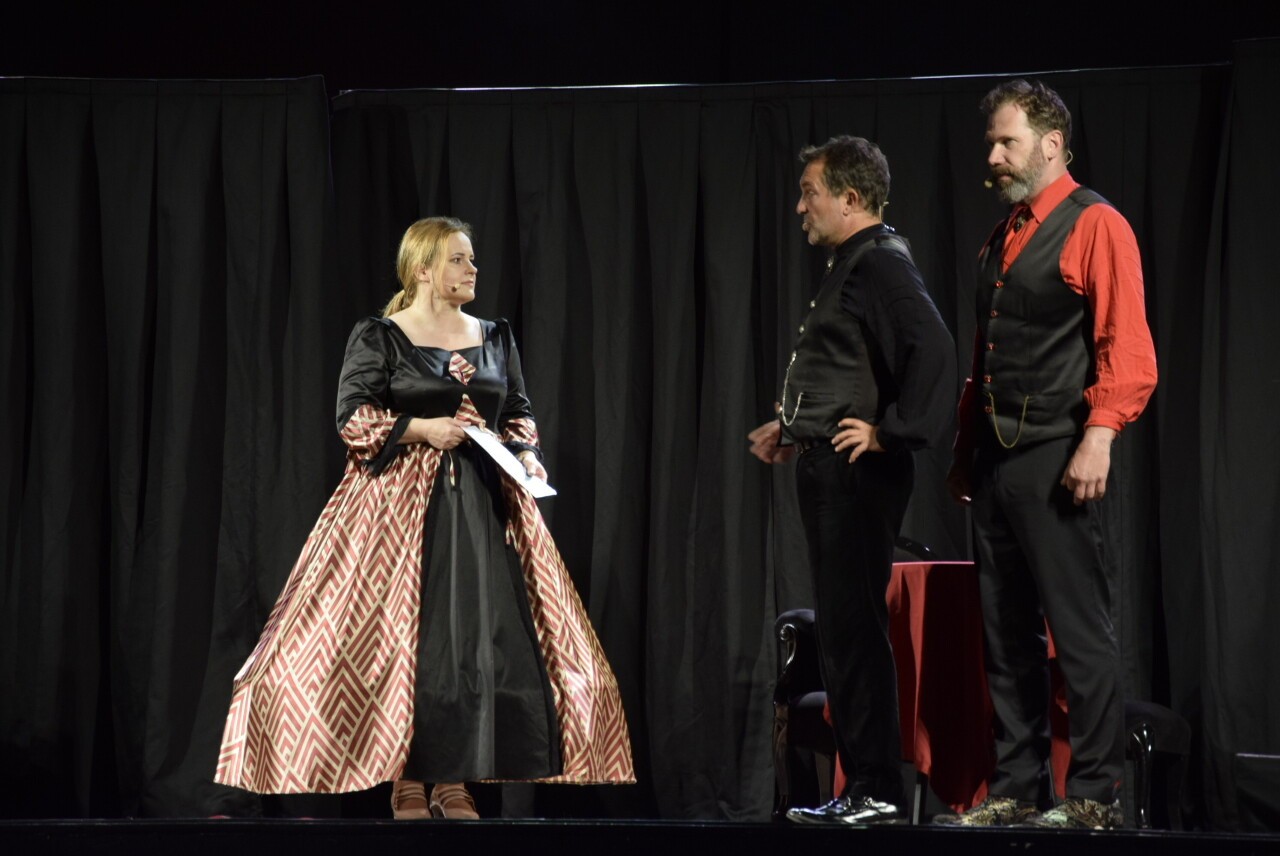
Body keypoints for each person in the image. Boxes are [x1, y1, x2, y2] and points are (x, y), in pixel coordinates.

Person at [214, 217, 634, 818]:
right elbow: (353, 417)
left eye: (472, 259)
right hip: (397, 509)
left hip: (486, 503)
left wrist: (527, 454)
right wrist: (421, 428)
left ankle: (455, 778)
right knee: (406, 641)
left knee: (474, 646)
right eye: (459, 259)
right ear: (424, 269)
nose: (472, 269)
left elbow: (517, 410)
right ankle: (406, 777)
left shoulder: (494, 336)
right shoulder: (382, 336)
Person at [940, 80, 1157, 830]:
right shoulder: (1001, 237)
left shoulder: (1095, 224)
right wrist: (966, 449)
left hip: (1059, 453)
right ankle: (1018, 788)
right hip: (997, 461)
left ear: (1053, 144)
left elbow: (1126, 345)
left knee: (1080, 629)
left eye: (1008, 142)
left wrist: (1099, 435)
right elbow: (984, 358)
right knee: (1006, 634)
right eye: (991, 145)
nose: (994, 157)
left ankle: (1094, 794)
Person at [749, 136, 956, 825]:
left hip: (856, 475)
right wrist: (794, 425)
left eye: (810, 193)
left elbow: (934, 350)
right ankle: (866, 787)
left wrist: (890, 432)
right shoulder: (855, 264)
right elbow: (851, 367)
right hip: (830, 468)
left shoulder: (879, 263)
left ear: (851, 198)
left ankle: (875, 789)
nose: (800, 206)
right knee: (842, 631)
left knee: (853, 630)